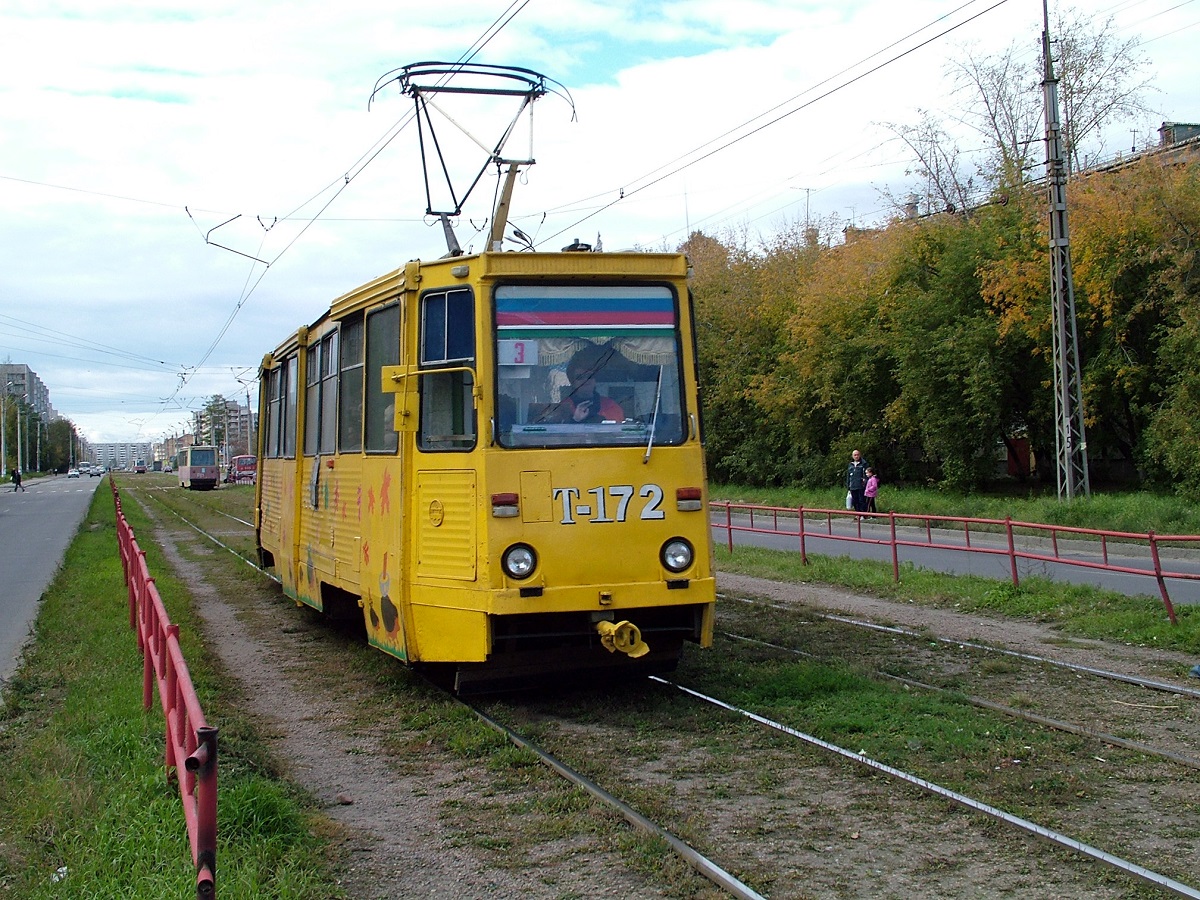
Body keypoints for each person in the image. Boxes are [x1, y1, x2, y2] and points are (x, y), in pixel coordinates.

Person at [554, 344, 625, 423]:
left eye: (589, 376)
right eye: (580, 377)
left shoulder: (610, 405)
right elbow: (558, 433)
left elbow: (617, 432)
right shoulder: (563, 407)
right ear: (572, 382)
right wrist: (575, 420)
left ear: (595, 380)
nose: (585, 380)